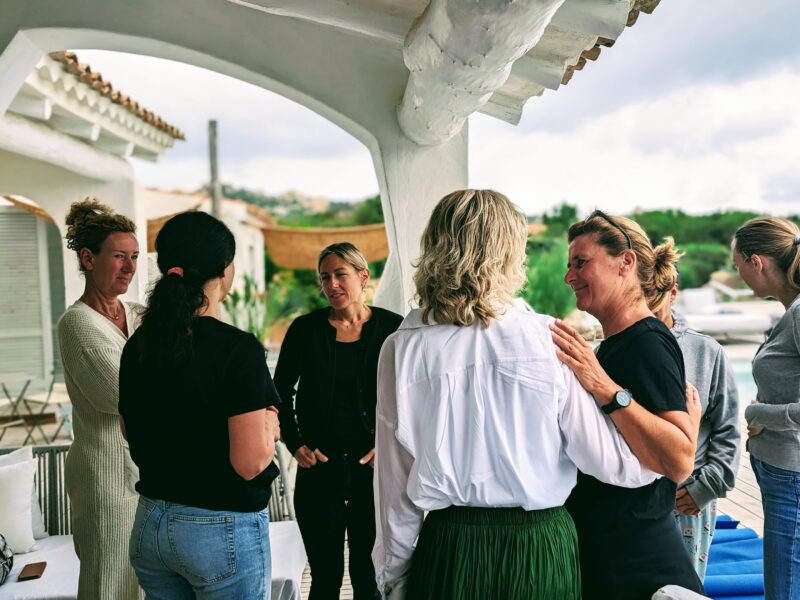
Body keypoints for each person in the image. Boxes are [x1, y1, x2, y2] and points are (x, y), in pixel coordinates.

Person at [373, 190, 669, 600]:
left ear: (436, 247)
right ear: (510, 253)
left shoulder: (401, 348)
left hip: (451, 549)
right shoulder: (550, 339)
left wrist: (394, 577)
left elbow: (393, 487)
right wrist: (670, 439)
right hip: (540, 546)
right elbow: (615, 464)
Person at [119, 211, 281, 599]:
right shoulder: (237, 349)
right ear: (225, 271)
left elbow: (129, 429)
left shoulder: (137, 345)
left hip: (151, 525)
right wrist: (269, 427)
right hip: (218, 531)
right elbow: (250, 463)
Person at [551, 210, 705, 599]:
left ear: (626, 262)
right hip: (613, 547)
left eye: (581, 263)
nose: (569, 276)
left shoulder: (646, 342)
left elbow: (679, 461)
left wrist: (605, 387)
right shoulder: (619, 344)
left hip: (636, 558)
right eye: (569, 266)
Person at [274, 242, 402, 600]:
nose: (331, 285)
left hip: (373, 473)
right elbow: (278, 392)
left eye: (340, 275)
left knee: (368, 577)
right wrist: (295, 442)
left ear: (363, 276)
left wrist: (389, 445)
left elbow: (411, 395)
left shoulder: (394, 329)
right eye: (325, 278)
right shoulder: (304, 330)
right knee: (325, 579)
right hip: (319, 471)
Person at [56, 198, 143, 600]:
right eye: (120, 256)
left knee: (142, 584)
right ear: (88, 259)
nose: (130, 267)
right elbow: (125, 396)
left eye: (135, 257)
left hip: (145, 477)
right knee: (109, 585)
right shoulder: (77, 324)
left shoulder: (139, 315)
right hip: (104, 480)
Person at [651, 274, 741, 580]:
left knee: (685, 588)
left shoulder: (707, 351)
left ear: (673, 292)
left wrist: (708, 485)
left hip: (688, 497)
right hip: (634, 498)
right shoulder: (613, 349)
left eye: (654, 295)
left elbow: (727, 429)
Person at [732, 216, 800, 600]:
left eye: (737, 264)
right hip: (782, 470)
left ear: (756, 261)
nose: (737, 273)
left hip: (792, 475)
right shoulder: (791, 312)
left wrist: (758, 414)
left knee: (784, 590)